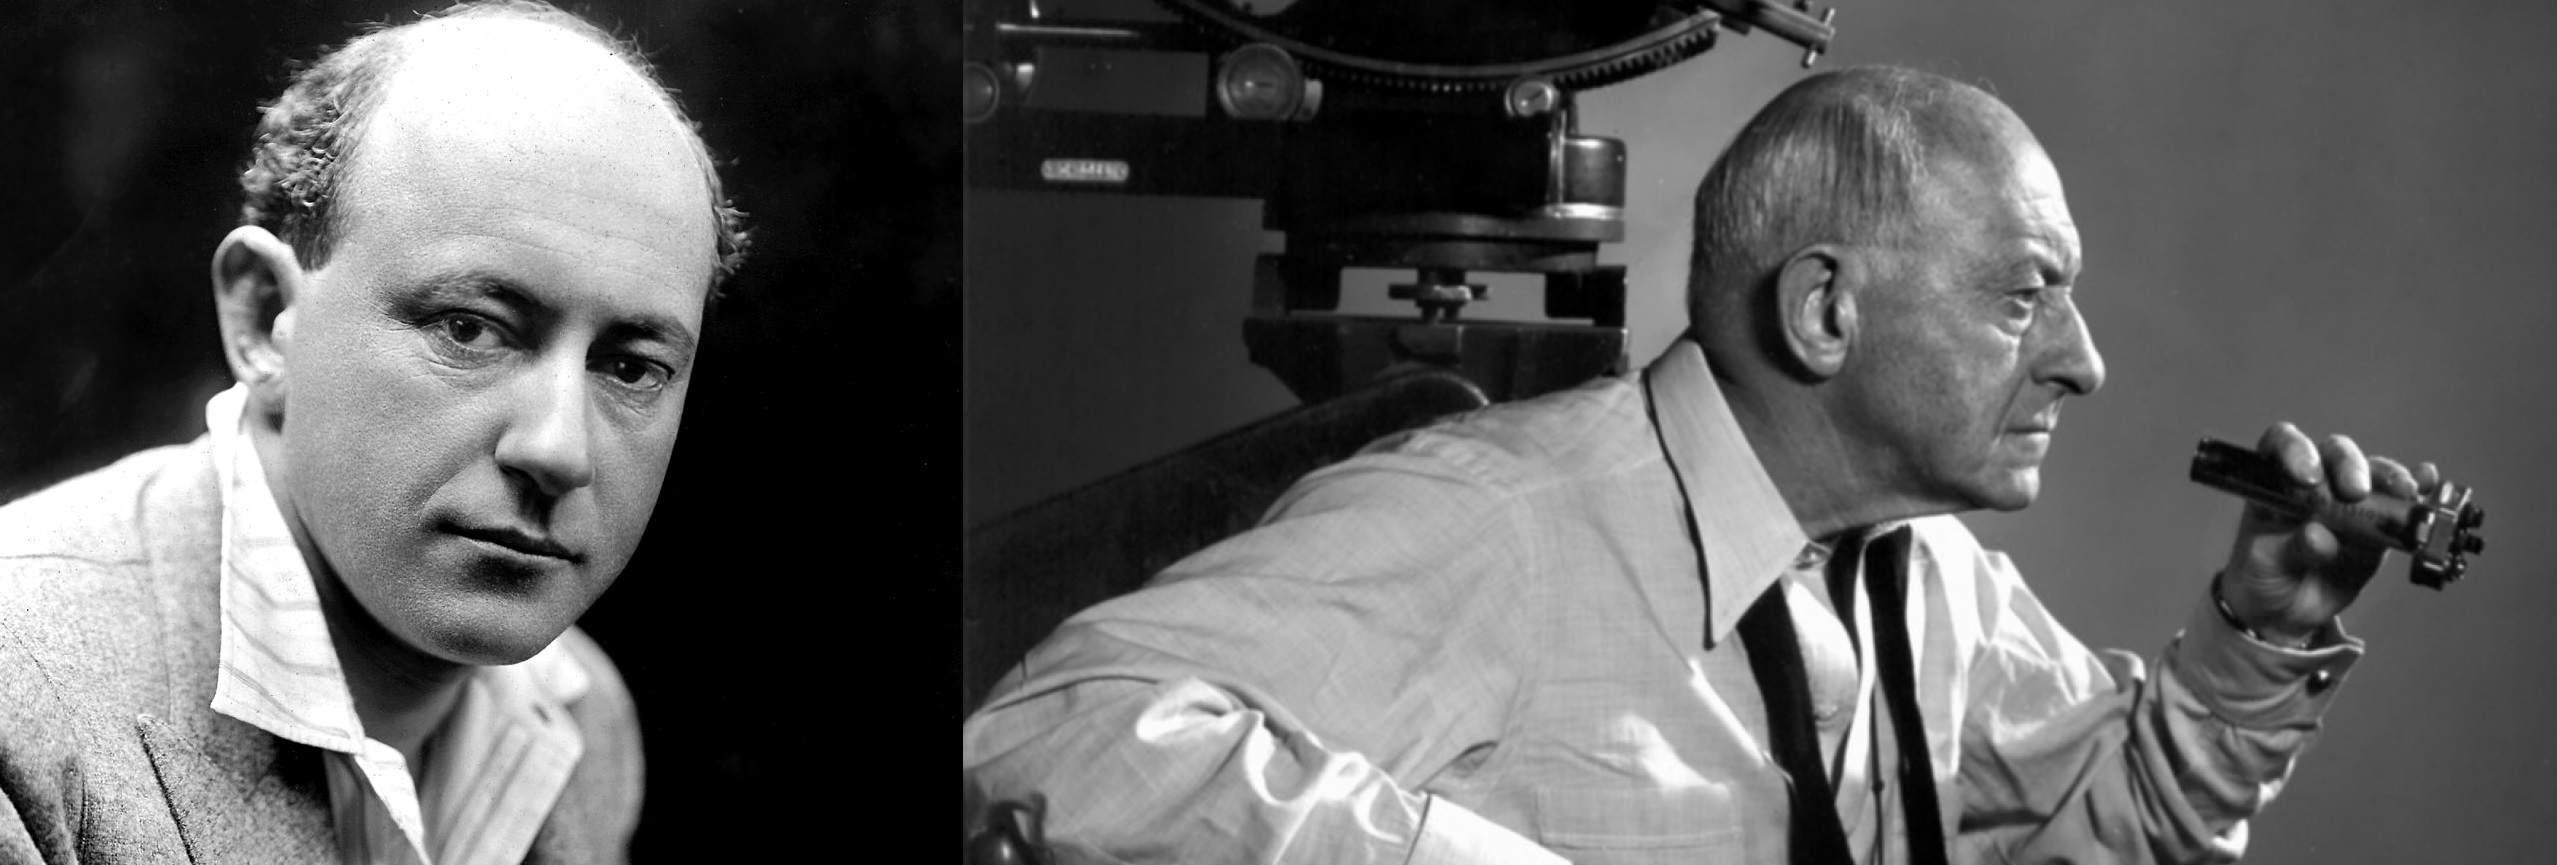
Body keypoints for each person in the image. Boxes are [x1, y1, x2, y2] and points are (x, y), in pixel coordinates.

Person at [962, 66, 2431, 864]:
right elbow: (1054, 734)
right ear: (1824, 311)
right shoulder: (1502, 521)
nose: (2083, 361)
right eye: (2020, 297)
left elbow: (2110, 833)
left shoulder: (1934, 583)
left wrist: (2261, 634)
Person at [0, 2, 747, 862]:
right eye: (469, 328)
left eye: (629, 367)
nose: (557, 449)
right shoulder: (20, 706)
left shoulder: (583, 720)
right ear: (265, 318)